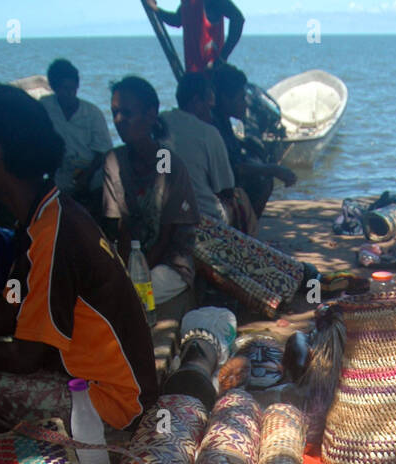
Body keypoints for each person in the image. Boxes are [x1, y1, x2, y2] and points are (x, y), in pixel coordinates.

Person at [0, 84, 157, 447]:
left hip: (112, 406)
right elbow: (4, 316)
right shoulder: (47, 214)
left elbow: (23, 356)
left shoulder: (54, 231)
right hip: (111, 388)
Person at [103, 76, 199, 312]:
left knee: (131, 298)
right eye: (115, 113)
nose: (118, 121)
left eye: (127, 113)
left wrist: (137, 275)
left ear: (150, 115)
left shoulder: (166, 162)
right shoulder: (114, 161)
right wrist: (126, 270)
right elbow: (120, 229)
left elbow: (167, 234)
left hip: (169, 262)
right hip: (132, 260)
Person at [212, 64, 295, 218]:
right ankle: (244, 231)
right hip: (217, 192)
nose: (245, 103)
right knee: (262, 181)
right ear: (225, 99)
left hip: (221, 184)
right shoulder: (214, 126)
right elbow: (235, 168)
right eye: (241, 98)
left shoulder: (221, 120)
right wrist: (273, 169)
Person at [40, 59, 113, 211]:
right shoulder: (44, 108)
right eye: (64, 89)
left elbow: (103, 152)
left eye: (72, 89)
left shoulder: (92, 114)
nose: (69, 94)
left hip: (91, 173)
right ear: (53, 87)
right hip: (60, 174)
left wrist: (86, 177)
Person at [163, 72, 234, 222]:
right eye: (209, 107)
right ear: (196, 101)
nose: (211, 114)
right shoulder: (208, 133)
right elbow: (226, 190)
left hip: (165, 212)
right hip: (204, 217)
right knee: (239, 202)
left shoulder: (159, 122)